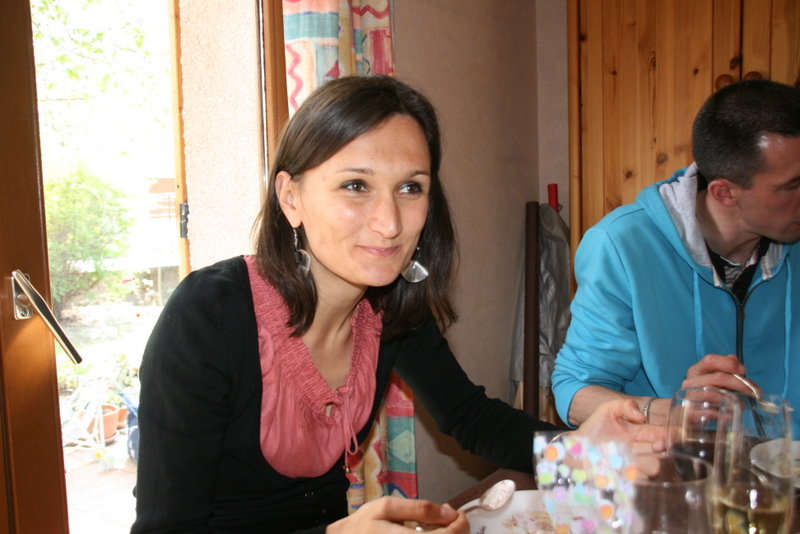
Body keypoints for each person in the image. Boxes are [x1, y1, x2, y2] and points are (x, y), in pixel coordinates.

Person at [131, 75, 662, 534]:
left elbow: (470, 417)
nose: (389, 224)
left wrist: (580, 448)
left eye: (410, 188)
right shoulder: (208, 317)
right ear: (290, 197)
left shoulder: (392, 305)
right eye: (355, 185)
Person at [551, 79, 800, 436]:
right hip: (680, 466)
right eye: (792, 185)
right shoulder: (622, 244)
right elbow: (575, 391)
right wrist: (672, 411)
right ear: (725, 192)